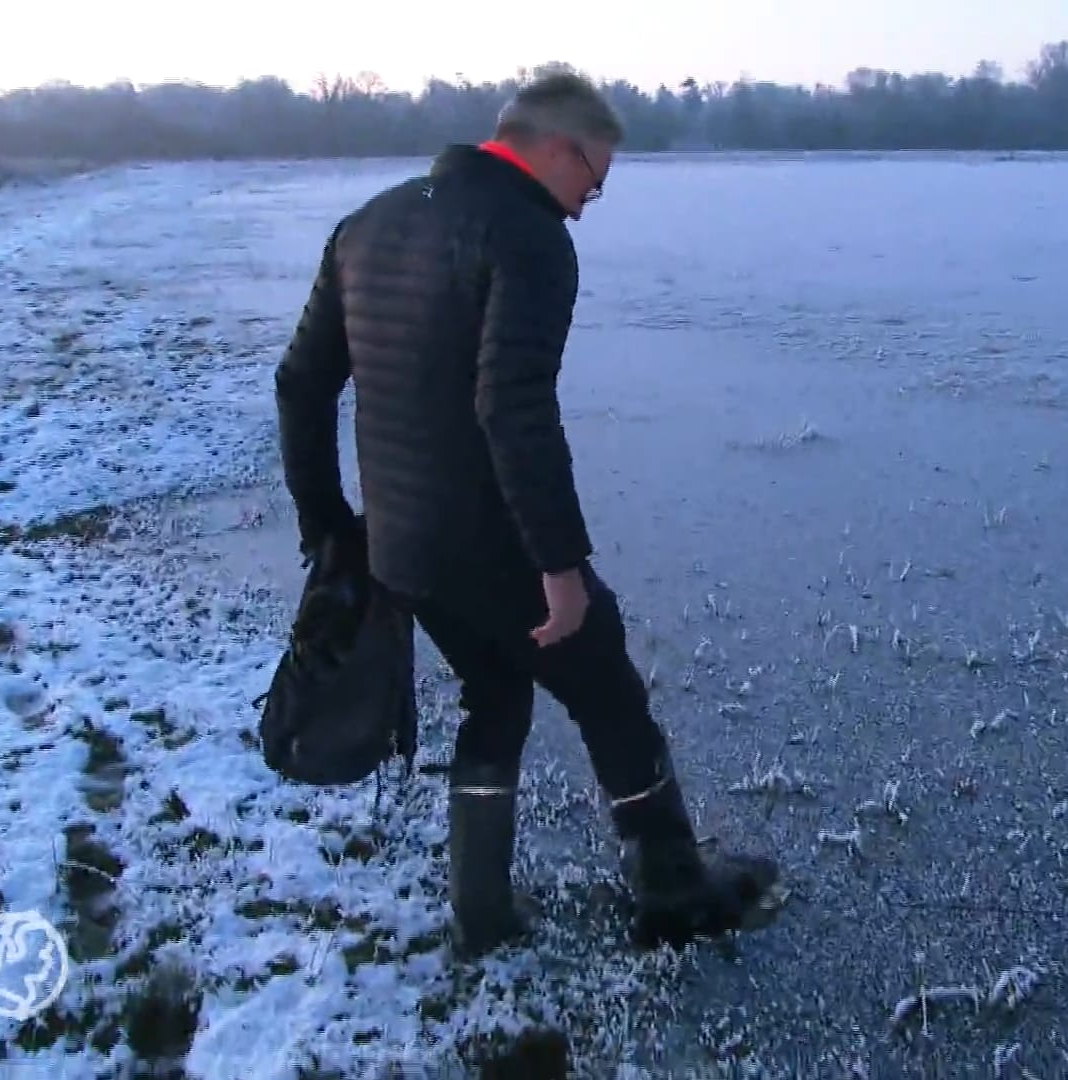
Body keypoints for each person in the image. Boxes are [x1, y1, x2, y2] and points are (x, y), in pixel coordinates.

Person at [271, 72, 780, 958]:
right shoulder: (527, 236)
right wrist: (560, 569)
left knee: (494, 693)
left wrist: (334, 531)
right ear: (552, 146)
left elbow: (299, 385)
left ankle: (480, 914)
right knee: (607, 688)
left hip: (404, 547)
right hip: (489, 541)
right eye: (594, 174)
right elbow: (511, 407)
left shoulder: (369, 225)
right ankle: (674, 890)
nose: (592, 201)